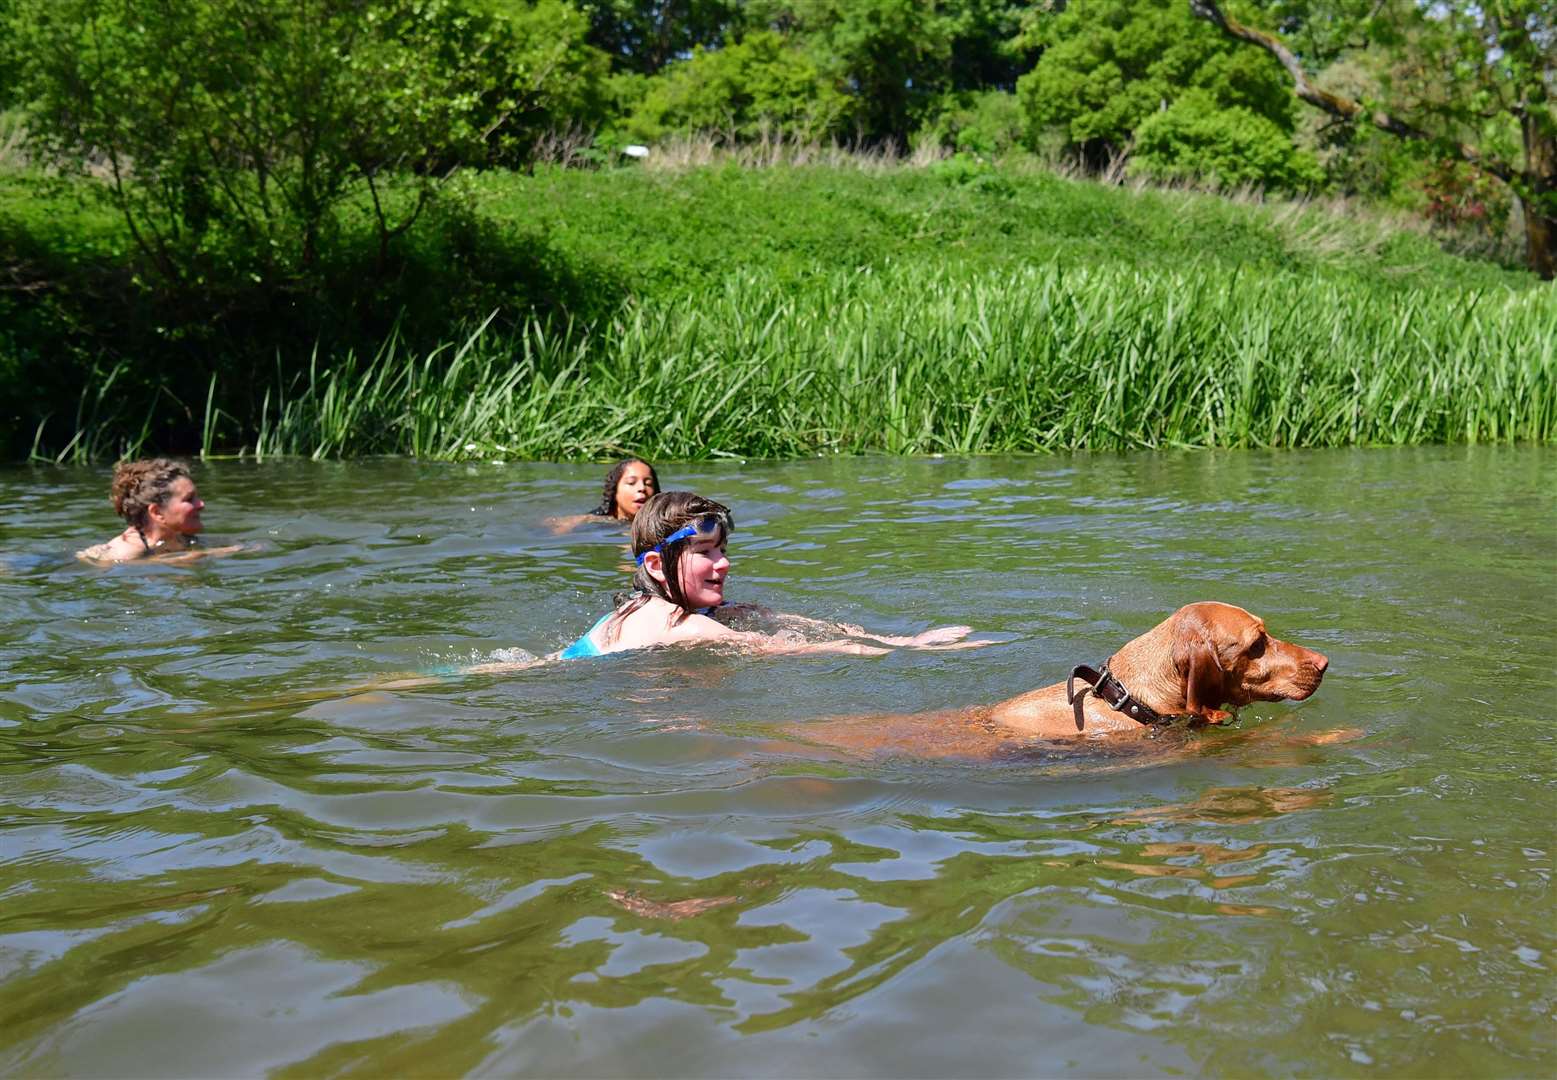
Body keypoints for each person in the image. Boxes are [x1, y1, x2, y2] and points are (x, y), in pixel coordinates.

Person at [553, 491, 977, 660]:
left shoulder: (649, 606)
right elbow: (772, 647)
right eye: (704, 552)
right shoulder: (677, 624)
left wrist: (898, 638)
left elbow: (779, 621)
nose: (723, 563)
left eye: (723, 549)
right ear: (654, 566)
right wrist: (897, 654)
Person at [76, 458, 243, 564]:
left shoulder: (181, 537)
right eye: (189, 499)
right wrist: (199, 556)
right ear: (157, 513)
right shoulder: (126, 553)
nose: (201, 504)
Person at [547, 458, 660, 534]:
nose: (642, 488)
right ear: (615, 490)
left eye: (648, 483)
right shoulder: (591, 521)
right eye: (631, 482)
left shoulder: (662, 523)